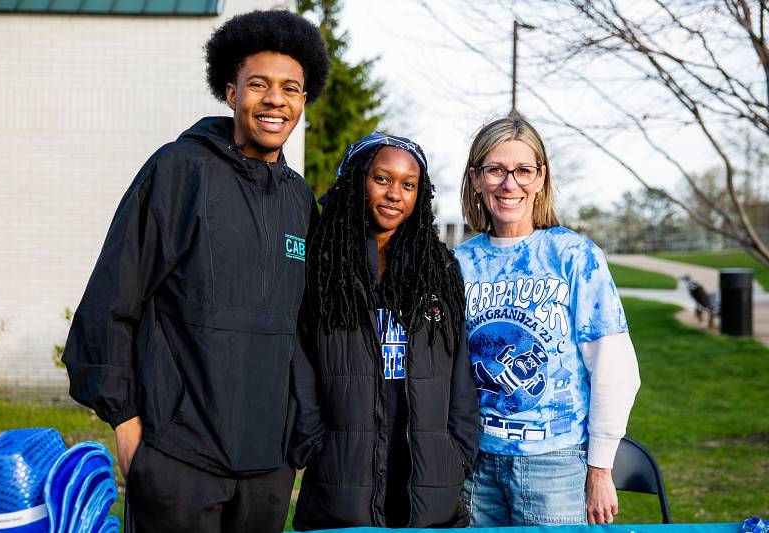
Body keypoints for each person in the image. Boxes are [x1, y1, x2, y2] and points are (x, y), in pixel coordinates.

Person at [61, 10, 328, 533]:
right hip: (177, 458)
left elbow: (303, 329)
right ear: (231, 92)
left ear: (303, 100)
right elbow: (112, 301)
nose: (275, 99)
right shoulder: (178, 170)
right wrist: (128, 428)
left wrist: (296, 439)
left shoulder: (299, 200)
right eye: (259, 84)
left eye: (290, 88)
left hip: (267, 469)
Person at [454, 114, 641, 527]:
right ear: (476, 177)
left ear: (540, 179)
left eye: (523, 170)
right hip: (474, 462)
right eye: (496, 170)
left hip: (555, 462)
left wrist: (600, 468)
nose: (510, 184)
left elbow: (615, 368)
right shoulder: (459, 263)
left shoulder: (574, 256)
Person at [289, 132, 478, 530]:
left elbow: (459, 367)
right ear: (356, 180)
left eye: (408, 184)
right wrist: (316, 443)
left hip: (426, 471)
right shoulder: (324, 266)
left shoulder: (438, 270)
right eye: (382, 179)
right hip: (343, 470)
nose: (395, 194)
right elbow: (299, 358)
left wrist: (456, 451)